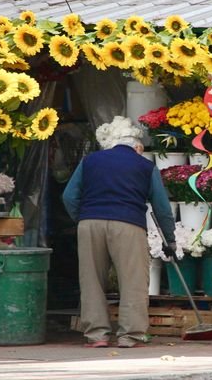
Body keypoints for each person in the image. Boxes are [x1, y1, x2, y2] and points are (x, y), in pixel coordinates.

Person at [62, 116, 177, 348]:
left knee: (91, 279)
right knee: (132, 281)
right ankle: (130, 336)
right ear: (137, 147)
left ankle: (97, 335)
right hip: (128, 225)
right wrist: (170, 240)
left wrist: (82, 218)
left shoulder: (90, 160)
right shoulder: (145, 165)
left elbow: (68, 196)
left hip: (89, 224)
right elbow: (162, 208)